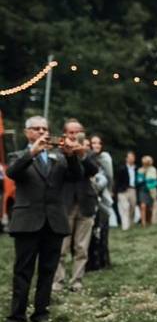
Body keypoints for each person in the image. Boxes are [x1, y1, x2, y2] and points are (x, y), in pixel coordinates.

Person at [6, 117, 85, 322]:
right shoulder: (18, 155)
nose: (42, 131)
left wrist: (71, 157)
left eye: (45, 128)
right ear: (27, 132)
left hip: (54, 222)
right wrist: (32, 152)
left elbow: (77, 176)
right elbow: (12, 173)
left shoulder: (58, 156)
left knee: (48, 270)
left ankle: (41, 313)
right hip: (27, 222)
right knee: (23, 271)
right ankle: (16, 317)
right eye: (36, 128)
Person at [53, 120, 100, 293]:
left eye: (77, 132)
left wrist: (82, 155)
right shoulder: (57, 153)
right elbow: (64, 173)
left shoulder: (87, 152)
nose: (74, 135)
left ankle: (77, 281)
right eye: (71, 132)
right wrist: (70, 154)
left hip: (85, 203)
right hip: (65, 204)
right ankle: (58, 281)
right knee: (61, 247)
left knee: (82, 247)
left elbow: (94, 170)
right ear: (65, 134)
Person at [86, 135, 113, 272]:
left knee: (103, 230)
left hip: (103, 198)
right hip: (89, 199)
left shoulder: (105, 159)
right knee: (91, 233)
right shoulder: (86, 157)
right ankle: (92, 262)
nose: (96, 145)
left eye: (99, 143)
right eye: (93, 143)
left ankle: (104, 260)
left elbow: (109, 178)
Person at [115, 151, 138, 230]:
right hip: (123, 190)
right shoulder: (121, 168)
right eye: (129, 157)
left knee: (133, 207)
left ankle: (130, 223)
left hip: (133, 189)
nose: (131, 159)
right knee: (125, 207)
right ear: (126, 159)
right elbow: (117, 180)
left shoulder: (136, 169)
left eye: (132, 157)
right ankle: (125, 226)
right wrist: (116, 191)